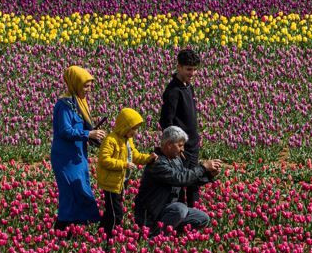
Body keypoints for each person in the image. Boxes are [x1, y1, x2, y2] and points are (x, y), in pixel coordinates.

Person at [134, 126, 222, 238]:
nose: (183, 149)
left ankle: (171, 233)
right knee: (180, 209)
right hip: (153, 212)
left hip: (170, 210)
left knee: (202, 218)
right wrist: (203, 168)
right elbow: (179, 178)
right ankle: (154, 238)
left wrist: (209, 174)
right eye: (180, 145)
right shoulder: (157, 163)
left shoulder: (176, 160)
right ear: (169, 144)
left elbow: (188, 179)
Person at [51, 66, 106, 230]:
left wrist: (92, 136)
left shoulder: (80, 103)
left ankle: (79, 229)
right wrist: (88, 134)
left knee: (82, 189)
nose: (88, 89)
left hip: (78, 155)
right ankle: (62, 229)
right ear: (74, 83)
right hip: (65, 157)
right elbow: (65, 130)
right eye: (85, 85)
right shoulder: (64, 105)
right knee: (71, 192)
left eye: (89, 85)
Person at [97, 108, 157, 242]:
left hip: (120, 181)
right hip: (111, 183)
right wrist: (123, 164)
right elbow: (104, 160)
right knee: (116, 213)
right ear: (125, 126)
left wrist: (148, 158)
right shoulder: (111, 140)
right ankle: (111, 240)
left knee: (110, 211)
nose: (135, 133)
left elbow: (134, 155)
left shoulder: (127, 140)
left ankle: (100, 234)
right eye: (133, 129)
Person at [159, 48, 203, 208]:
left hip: (192, 145)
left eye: (194, 69)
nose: (192, 73)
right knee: (179, 184)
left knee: (194, 183)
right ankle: (182, 217)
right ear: (179, 67)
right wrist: (177, 146)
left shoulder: (188, 87)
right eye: (188, 69)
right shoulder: (173, 92)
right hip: (181, 148)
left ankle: (193, 215)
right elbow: (166, 122)